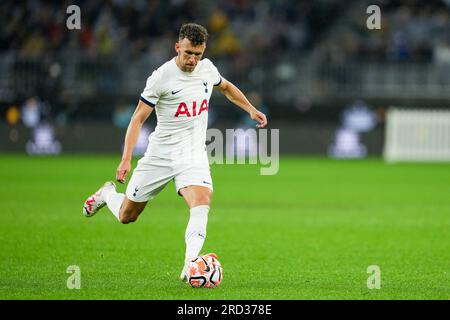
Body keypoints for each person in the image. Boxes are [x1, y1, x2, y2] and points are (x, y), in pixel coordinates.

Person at [82, 23, 268, 282]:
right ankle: (107, 194)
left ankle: (191, 263)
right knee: (128, 215)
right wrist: (126, 159)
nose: (193, 60)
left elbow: (225, 87)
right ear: (177, 47)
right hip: (160, 155)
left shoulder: (207, 69)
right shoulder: (161, 77)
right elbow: (137, 119)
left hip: (193, 153)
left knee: (202, 201)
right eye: (188, 53)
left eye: (198, 54)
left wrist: (250, 109)